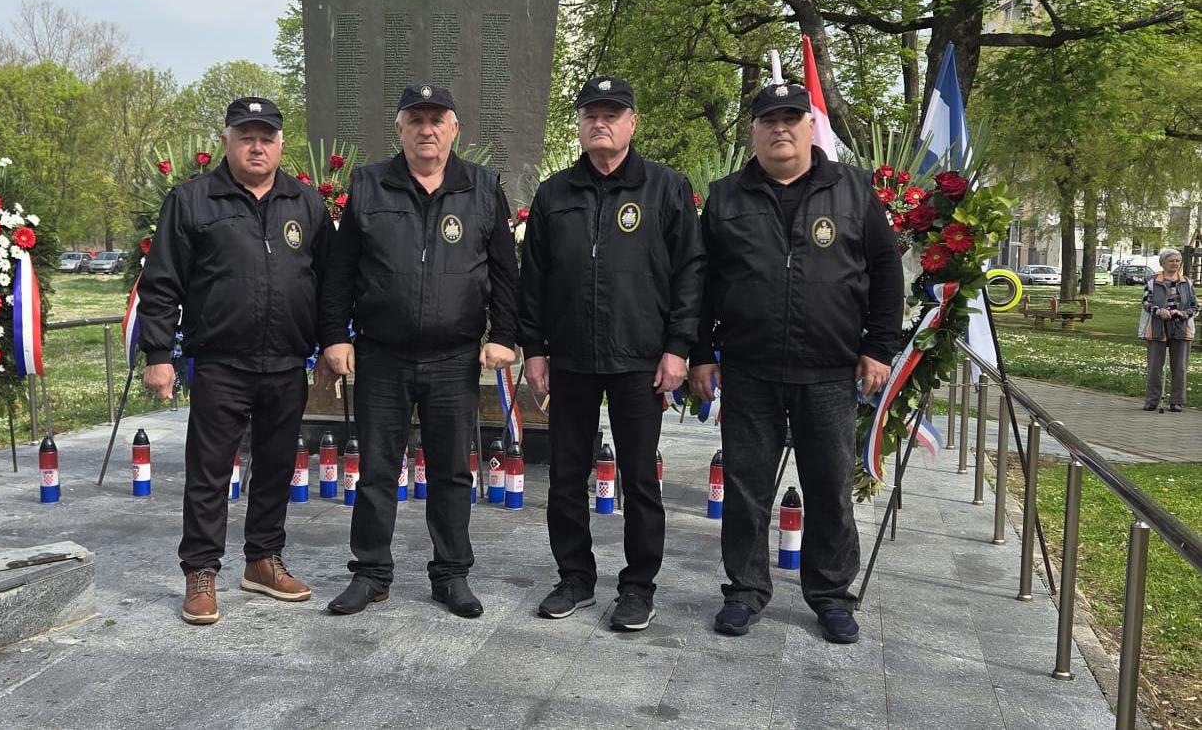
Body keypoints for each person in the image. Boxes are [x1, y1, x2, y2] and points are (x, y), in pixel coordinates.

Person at [690, 82, 901, 645]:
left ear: (810, 128)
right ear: (753, 133)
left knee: (829, 487)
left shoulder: (853, 190)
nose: (780, 129)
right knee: (746, 488)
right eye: (768, 120)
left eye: (791, 118)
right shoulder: (726, 197)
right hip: (749, 368)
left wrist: (879, 347)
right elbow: (702, 284)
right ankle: (745, 591)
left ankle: (831, 595)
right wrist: (698, 354)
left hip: (829, 370)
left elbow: (885, 274)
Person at [318, 84, 520, 619]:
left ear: (455, 129)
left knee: (452, 471)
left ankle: (451, 575)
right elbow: (340, 272)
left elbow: (504, 271)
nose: (426, 129)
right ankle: (370, 574)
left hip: (454, 357)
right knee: (378, 469)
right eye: (416, 119)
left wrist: (503, 334)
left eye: (437, 119)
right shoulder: (367, 185)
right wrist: (335, 335)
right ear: (400, 128)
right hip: (382, 355)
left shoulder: (481, 187)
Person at [518, 75, 703, 631]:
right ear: (579, 124)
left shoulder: (666, 188)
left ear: (631, 123)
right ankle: (574, 576)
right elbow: (535, 280)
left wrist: (678, 348)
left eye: (612, 113)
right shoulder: (554, 194)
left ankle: (638, 586)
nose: (601, 122)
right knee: (566, 476)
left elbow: (691, 273)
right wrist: (535, 348)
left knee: (640, 478)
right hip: (570, 358)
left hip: (640, 361)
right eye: (591, 114)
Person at [137, 97, 331, 626]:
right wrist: (159, 354)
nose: (256, 145)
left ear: (280, 144)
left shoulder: (306, 204)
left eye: (266, 136)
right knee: (209, 472)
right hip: (221, 362)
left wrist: (333, 343)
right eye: (246, 135)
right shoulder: (193, 200)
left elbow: (331, 283)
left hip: (287, 360)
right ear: (226, 140)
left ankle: (263, 560)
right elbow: (161, 282)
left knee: (275, 466)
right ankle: (201, 571)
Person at [1142, 247, 1196, 412]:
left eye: (1177, 261)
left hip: (1181, 326)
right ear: (1163, 263)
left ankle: (1177, 401)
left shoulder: (1187, 282)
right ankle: (1152, 400)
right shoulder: (1152, 281)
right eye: (1171, 261)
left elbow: (1195, 306)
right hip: (1158, 325)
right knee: (1154, 366)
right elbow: (1145, 302)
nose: (1174, 264)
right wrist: (1159, 311)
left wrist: (1183, 313)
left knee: (1179, 367)